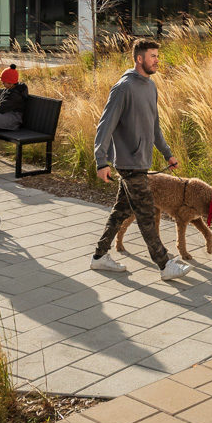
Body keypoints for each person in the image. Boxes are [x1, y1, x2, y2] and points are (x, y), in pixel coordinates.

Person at [89, 39, 191, 281]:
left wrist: (167, 152)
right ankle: (165, 264)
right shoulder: (123, 88)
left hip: (142, 161)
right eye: (152, 56)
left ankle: (99, 257)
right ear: (139, 59)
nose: (156, 59)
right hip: (128, 162)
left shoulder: (150, 86)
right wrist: (100, 160)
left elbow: (154, 125)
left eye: (157, 55)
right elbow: (105, 126)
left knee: (120, 211)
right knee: (146, 212)